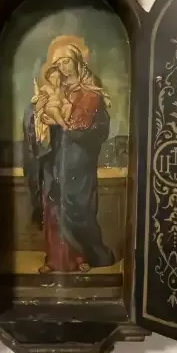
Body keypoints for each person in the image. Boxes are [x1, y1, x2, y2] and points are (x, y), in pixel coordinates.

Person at [23, 36, 115, 274]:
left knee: (77, 207)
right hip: (54, 157)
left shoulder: (90, 93)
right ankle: (56, 260)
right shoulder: (53, 89)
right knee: (53, 206)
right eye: (58, 63)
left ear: (77, 62)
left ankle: (83, 256)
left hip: (79, 160)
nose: (62, 67)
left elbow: (100, 128)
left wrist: (74, 129)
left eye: (66, 61)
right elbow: (35, 115)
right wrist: (37, 116)